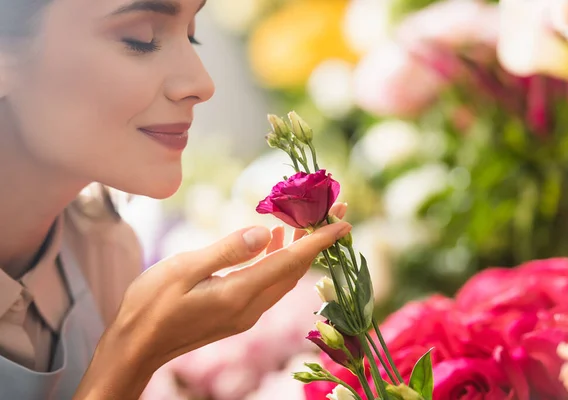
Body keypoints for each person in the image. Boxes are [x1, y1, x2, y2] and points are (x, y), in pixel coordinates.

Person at [0, 0, 352, 399]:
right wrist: (133, 352)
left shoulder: (102, 251)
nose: (203, 84)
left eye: (191, 35)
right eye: (141, 39)